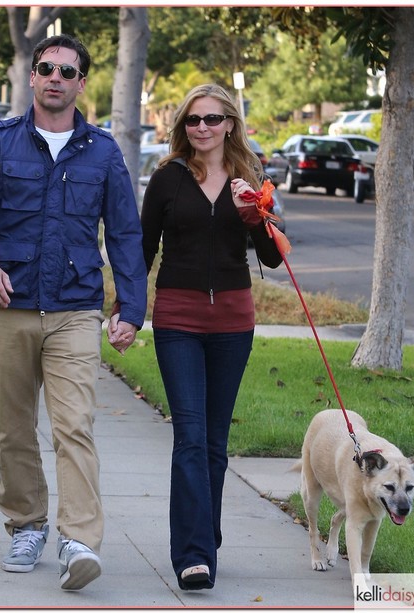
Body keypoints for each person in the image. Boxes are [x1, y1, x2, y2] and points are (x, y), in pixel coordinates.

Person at [0, 34, 147, 591]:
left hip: (75, 309)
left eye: (68, 70)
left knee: (74, 425)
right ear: (33, 77)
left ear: (82, 82)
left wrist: (130, 307)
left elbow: (126, 234)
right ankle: (26, 524)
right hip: (8, 306)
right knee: (13, 427)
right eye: (46, 68)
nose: (56, 78)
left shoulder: (104, 152)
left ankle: (79, 540)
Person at [140, 84, 283, 590]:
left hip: (232, 323)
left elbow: (271, 257)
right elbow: (143, 250)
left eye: (212, 119)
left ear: (229, 123)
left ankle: (205, 534)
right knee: (191, 436)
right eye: (193, 120)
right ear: (183, 127)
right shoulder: (167, 180)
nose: (202, 128)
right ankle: (194, 555)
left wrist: (255, 216)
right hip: (178, 319)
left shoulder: (251, 177)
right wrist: (127, 310)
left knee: (216, 444)